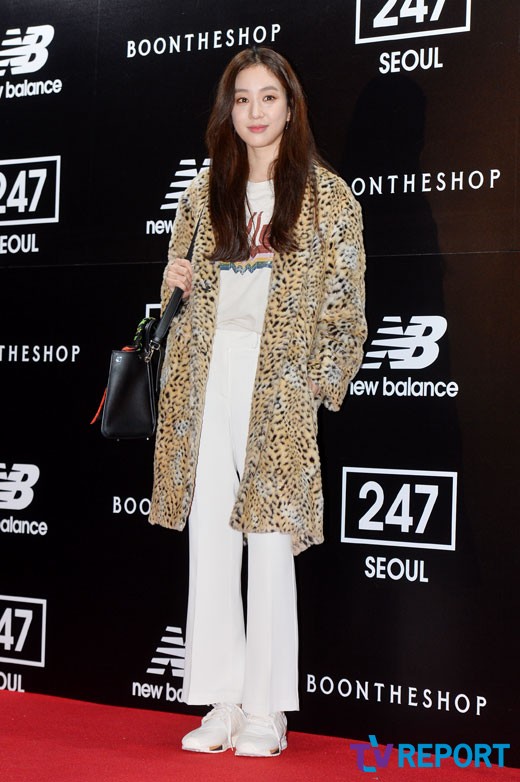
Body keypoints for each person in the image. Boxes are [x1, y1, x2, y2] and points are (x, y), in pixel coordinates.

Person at [149, 46, 366, 757]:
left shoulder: (328, 197)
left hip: (277, 383)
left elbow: (347, 309)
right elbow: (177, 293)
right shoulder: (202, 192)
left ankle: (267, 710)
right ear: (228, 111)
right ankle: (222, 699)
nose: (254, 111)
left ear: (290, 106)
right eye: (241, 99)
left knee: (271, 542)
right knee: (211, 535)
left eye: (268, 97)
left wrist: (316, 383)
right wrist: (172, 280)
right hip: (205, 378)